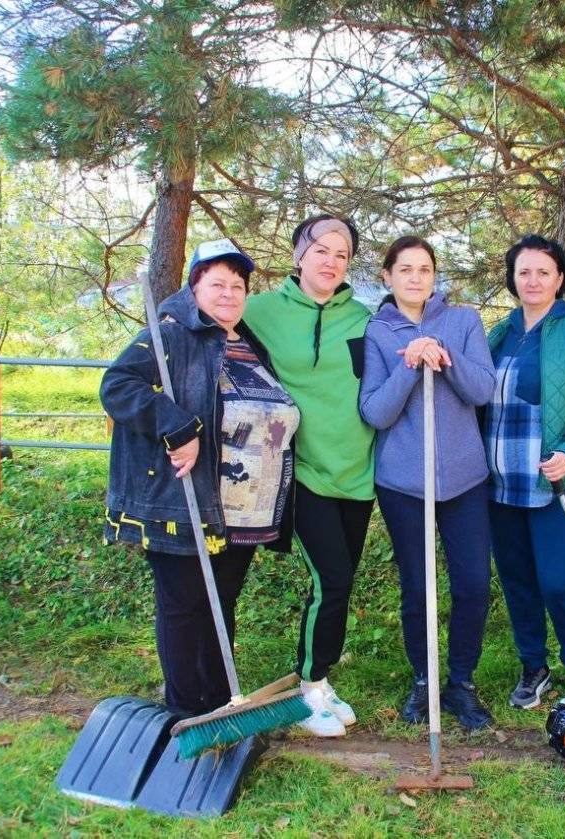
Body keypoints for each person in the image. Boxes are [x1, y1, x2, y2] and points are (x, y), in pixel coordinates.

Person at [100, 239, 298, 717]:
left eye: (237, 285)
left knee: (220, 603)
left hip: (241, 510)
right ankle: (187, 711)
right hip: (186, 502)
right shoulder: (170, 333)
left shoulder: (245, 341)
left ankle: (217, 704)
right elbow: (118, 385)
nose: (229, 293)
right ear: (194, 288)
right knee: (185, 606)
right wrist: (178, 426)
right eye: (216, 284)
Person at [242, 214, 374, 737]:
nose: (331, 261)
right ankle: (312, 686)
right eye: (321, 249)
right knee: (332, 577)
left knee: (339, 583)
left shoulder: (365, 318)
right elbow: (201, 318)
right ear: (299, 253)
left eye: (342, 254)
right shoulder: (260, 311)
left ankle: (317, 675)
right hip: (299, 469)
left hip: (359, 471)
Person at [359, 235, 497, 730]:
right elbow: (375, 411)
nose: (416, 278)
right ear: (388, 277)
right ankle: (424, 681)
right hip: (403, 482)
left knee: (473, 584)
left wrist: (445, 355)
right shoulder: (377, 330)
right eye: (405, 269)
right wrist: (409, 363)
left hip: (463, 479)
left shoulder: (463, 322)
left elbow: (482, 390)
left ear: (435, 276)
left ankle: (461, 681)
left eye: (424, 269)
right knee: (418, 587)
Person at [483, 234, 565, 709]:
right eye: (524, 272)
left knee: (559, 580)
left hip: (558, 479)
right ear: (512, 278)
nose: (533, 280)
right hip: (502, 483)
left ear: (560, 277)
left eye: (543, 271)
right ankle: (533, 667)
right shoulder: (500, 332)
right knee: (517, 578)